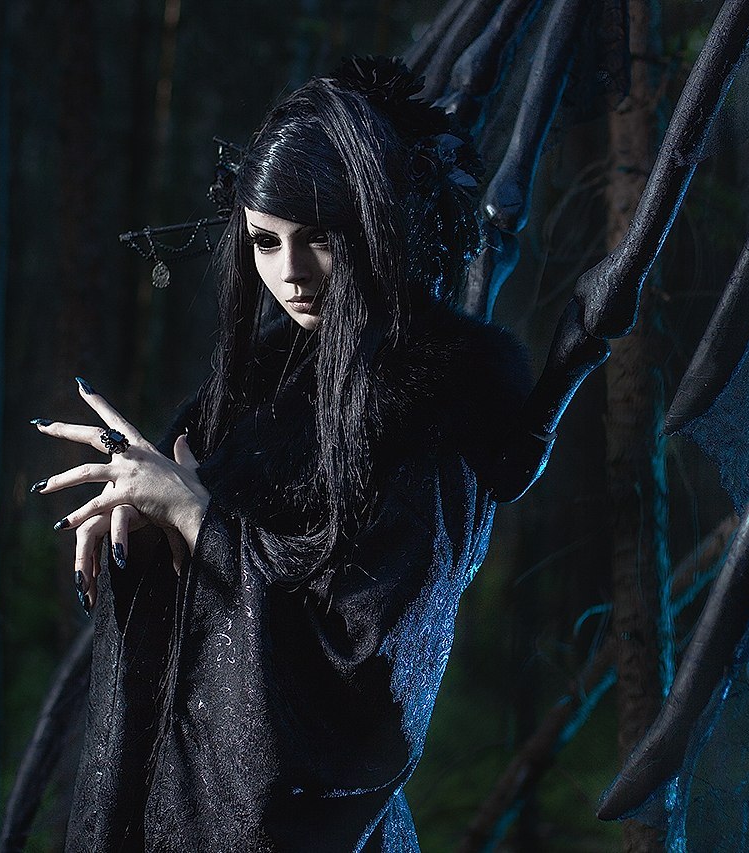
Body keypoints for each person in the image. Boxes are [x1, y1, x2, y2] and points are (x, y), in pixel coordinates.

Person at [30, 56, 532, 851]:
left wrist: (199, 519)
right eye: (265, 241)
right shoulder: (253, 388)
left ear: (373, 229)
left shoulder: (437, 409)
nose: (289, 273)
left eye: (319, 240)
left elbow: (365, 683)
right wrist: (146, 524)